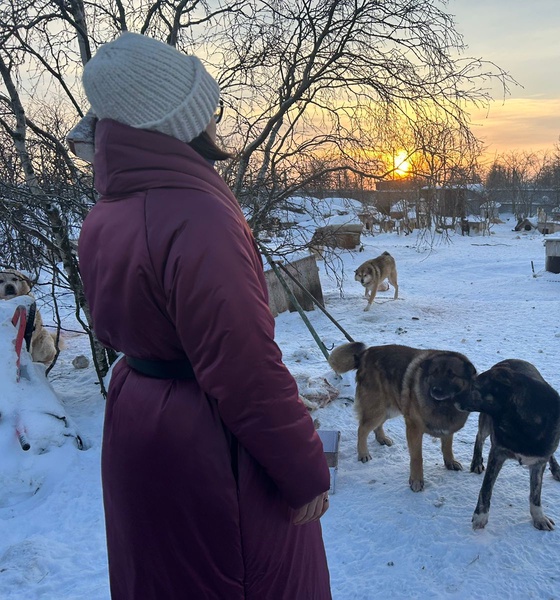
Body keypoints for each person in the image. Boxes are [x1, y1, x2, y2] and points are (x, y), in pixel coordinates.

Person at [73, 32, 332, 599]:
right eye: (209, 111)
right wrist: (306, 471)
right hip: (210, 448)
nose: (218, 124)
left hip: (139, 427)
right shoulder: (195, 214)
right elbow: (245, 369)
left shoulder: (106, 211)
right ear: (179, 121)